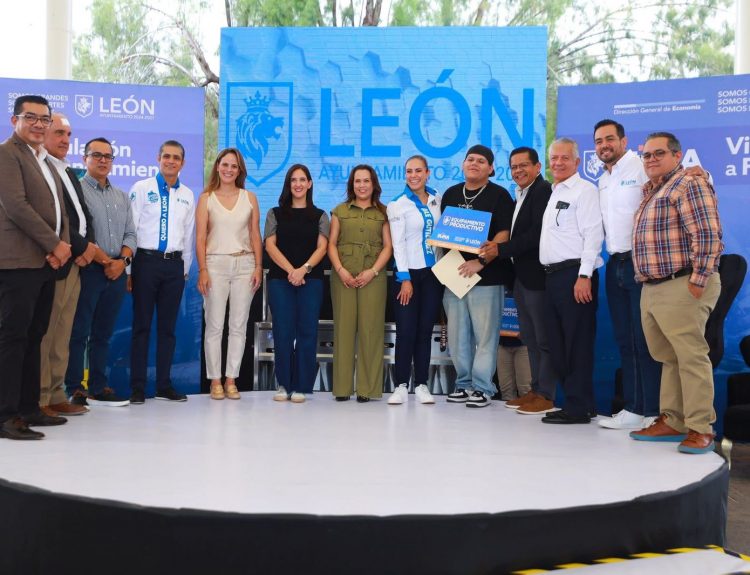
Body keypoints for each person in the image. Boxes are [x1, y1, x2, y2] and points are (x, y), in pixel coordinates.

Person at [630, 132, 723, 455]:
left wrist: (698, 278)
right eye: (647, 155)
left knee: (690, 356)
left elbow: (707, 233)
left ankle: (701, 427)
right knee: (667, 357)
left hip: (683, 282)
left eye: (659, 153)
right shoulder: (652, 190)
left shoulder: (688, 183)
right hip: (653, 286)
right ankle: (674, 420)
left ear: (677, 155)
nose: (651, 159)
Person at [0, 95, 71, 439]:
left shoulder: (44, 159)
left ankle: (29, 409)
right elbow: (16, 206)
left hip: (45, 263)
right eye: (31, 117)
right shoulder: (6, 153)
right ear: (15, 120)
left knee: (34, 337)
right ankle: (6, 415)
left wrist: (62, 247)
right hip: (18, 262)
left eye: (44, 119)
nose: (39, 124)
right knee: (13, 339)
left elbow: (60, 209)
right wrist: (54, 244)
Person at [593, 119, 661, 430]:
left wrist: (700, 172)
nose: (604, 145)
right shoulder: (602, 180)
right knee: (626, 340)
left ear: (624, 141)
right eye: (598, 141)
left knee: (646, 340)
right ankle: (634, 408)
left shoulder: (641, 164)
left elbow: (677, 177)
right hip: (615, 263)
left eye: (610, 139)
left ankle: (654, 411)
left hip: (641, 263)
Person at [480, 146, 555, 415]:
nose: (518, 170)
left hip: (537, 277)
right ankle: (535, 390)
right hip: (522, 278)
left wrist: (500, 249)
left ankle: (547, 395)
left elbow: (536, 235)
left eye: (524, 165)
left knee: (543, 339)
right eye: (513, 166)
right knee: (530, 338)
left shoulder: (543, 191)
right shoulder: (521, 194)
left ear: (537, 167)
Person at [65, 138, 136, 407]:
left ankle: (97, 386)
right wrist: (107, 262)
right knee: (79, 331)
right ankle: (75, 388)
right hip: (89, 269)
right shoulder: (77, 192)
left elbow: (130, 234)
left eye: (108, 156)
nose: (103, 160)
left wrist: (122, 263)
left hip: (117, 272)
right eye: (97, 155)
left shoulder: (121, 196)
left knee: (103, 334)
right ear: (85, 159)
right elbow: (77, 233)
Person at [39, 114, 103, 416]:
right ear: (43, 134)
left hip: (76, 263)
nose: (65, 139)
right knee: (47, 334)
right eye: (59, 133)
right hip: (55, 262)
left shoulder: (67, 171)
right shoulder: (41, 169)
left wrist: (89, 247)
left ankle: (56, 394)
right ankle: (39, 398)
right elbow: (54, 218)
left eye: (68, 134)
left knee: (63, 333)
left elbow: (82, 216)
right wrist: (82, 247)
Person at [442, 145, 514, 408]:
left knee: (485, 336)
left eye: (481, 161)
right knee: (457, 335)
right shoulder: (451, 193)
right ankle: (463, 384)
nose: (474, 163)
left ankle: (483, 388)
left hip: (488, 276)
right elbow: (444, 235)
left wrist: (480, 262)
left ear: (491, 168)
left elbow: (504, 234)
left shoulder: (500, 195)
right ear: (463, 164)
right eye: (470, 159)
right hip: (455, 275)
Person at [538, 138, 604, 425]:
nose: (558, 163)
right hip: (552, 277)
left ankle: (578, 407)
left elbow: (593, 235)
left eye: (565, 158)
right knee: (558, 343)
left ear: (577, 162)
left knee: (577, 343)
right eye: (554, 158)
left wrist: (584, 275)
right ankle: (580, 403)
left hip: (575, 275)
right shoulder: (555, 191)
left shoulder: (585, 190)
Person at [128, 141, 196, 404]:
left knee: (168, 329)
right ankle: (137, 387)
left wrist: (184, 270)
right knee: (141, 327)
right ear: (158, 158)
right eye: (166, 156)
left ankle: (164, 385)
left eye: (176, 157)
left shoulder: (188, 194)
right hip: (146, 263)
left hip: (174, 267)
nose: (171, 161)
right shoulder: (141, 188)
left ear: (183, 163)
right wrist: (129, 270)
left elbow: (188, 235)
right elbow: (131, 229)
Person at [196, 148, 262, 400]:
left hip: (245, 264)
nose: (229, 169)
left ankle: (231, 379)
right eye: (225, 164)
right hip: (215, 264)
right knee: (214, 325)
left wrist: (258, 266)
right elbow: (200, 238)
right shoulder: (206, 198)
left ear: (240, 170)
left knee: (238, 325)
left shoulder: (249, 197)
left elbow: (255, 234)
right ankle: (215, 380)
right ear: (217, 167)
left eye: (234, 166)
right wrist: (203, 270)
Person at [264, 164, 329, 403]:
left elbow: (322, 247)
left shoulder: (321, 215)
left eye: (302, 180)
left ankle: (301, 386)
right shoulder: (274, 213)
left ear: (310, 184)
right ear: (288, 184)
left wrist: (303, 270)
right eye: (294, 180)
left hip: (311, 281)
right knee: (282, 332)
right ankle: (284, 384)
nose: (298, 184)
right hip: (280, 281)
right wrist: (291, 270)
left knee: (307, 332)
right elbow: (270, 245)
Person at [328, 165, 393, 402]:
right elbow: (331, 244)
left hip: (373, 277)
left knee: (371, 330)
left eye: (366, 181)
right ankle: (342, 388)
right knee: (343, 329)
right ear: (352, 184)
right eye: (357, 181)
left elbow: (388, 246)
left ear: (373, 184)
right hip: (343, 276)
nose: (362, 185)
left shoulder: (383, 213)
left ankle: (367, 389)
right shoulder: (339, 211)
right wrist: (341, 270)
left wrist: (373, 272)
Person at [386, 155, 443, 406]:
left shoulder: (437, 198)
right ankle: (400, 385)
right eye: (409, 171)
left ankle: (421, 384)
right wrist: (404, 278)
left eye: (418, 171)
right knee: (406, 331)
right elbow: (397, 244)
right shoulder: (397, 204)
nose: (413, 175)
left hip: (433, 275)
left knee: (424, 331)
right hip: (407, 275)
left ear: (427, 173)